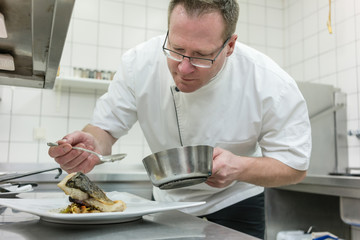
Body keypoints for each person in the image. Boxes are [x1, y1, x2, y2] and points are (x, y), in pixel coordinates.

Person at [48, 0, 311, 238]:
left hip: (236, 202)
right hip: (166, 203)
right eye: (176, 49)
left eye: (201, 55)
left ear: (229, 46)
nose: (184, 68)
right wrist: (91, 145)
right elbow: (105, 129)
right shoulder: (138, 63)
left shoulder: (270, 83)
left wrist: (240, 168)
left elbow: (294, 166)